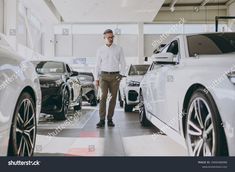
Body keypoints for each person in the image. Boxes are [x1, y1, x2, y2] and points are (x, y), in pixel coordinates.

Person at [95, 29, 126, 128]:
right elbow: (97, 65)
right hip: (103, 76)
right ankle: (101, 120)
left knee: (113, 98)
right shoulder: (100, 49)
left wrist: (121, 75)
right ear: (104, 38)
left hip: (115, 76)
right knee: (103, 96)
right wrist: (96, 78)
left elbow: (123, 63)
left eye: (112, 37)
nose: (111, 39)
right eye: (109, 37)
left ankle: (110, 119)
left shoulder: (119, 48)